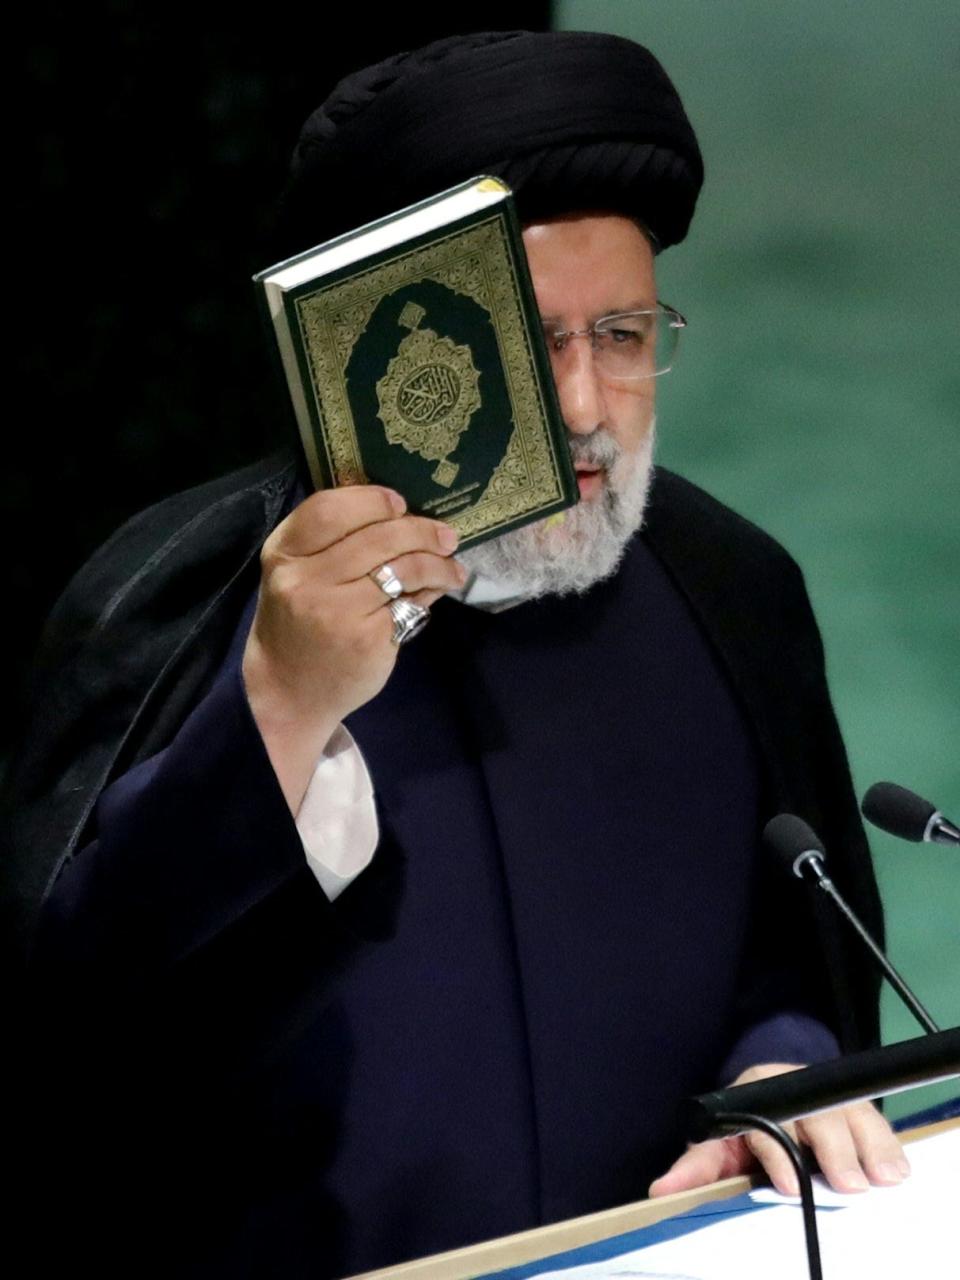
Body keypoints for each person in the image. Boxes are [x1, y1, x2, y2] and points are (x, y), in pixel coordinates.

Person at [5, 30, 907, 1280]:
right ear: (397, 356)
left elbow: (790, 942)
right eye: (537, 345)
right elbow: (82, 1033)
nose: (588, 410)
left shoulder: (729, 584)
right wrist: (277, 706)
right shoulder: (181, 600)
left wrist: (786, 1065)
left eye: (626, 335)